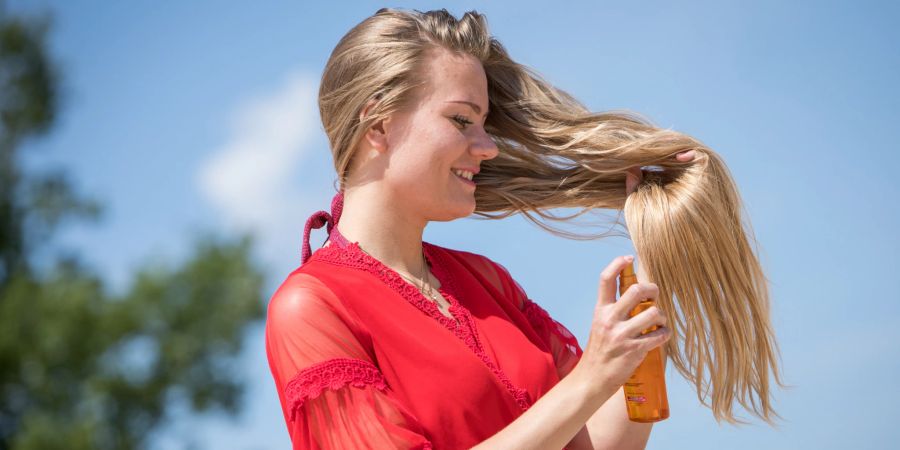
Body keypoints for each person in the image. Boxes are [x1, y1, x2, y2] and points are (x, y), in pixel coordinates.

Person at [266, 7, 780, 450]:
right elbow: (583, 394)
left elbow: (595, 444)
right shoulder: (311, 309)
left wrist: (652, 275)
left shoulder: (489, 281)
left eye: (486, 123)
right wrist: (593, 377)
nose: (487, 147)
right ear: (377, 124)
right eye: (463, 120)